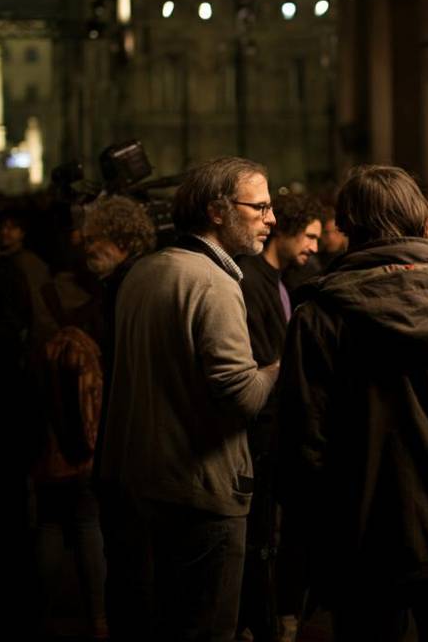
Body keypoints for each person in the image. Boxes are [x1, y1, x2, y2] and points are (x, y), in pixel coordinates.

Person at [277, 165, 428, 642]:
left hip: (359, 540)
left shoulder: (320, 316)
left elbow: (303, 444)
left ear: (346, 226)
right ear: (417, 221)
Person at [99, 157, 279, 642]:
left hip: (142, 484)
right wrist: (285, 363)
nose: (271, 219)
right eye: (259, 206)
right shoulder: (212, 283)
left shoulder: (143, 271)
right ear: (218, 210)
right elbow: (241, 396)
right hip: (201, 492)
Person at [234, 191, 322, 641]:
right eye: (309, 236)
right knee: (258, 534)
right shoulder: (252, 280)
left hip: (276, 425)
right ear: (286, 230)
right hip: (260, 428)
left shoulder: (282, 279)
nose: (314, 247)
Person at [80, 195, 158, 641]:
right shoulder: (120, 283)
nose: (87, 245)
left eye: (97, 238)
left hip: (129, 447)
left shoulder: (130, 285)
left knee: (130, 566)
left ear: (124, 240)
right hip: (126, 444)